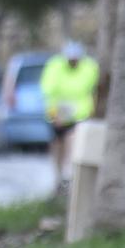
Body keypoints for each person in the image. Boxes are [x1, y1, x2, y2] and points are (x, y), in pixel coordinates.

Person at [41, 41, 99, 189]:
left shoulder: (89, 67)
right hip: (58, 110)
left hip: (80, 113)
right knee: (57, 143)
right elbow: (49, 93)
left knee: (72, 139)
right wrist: (55, 116)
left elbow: (93, 90)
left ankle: (69, 174)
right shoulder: (55, 66)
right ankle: (58, 176)